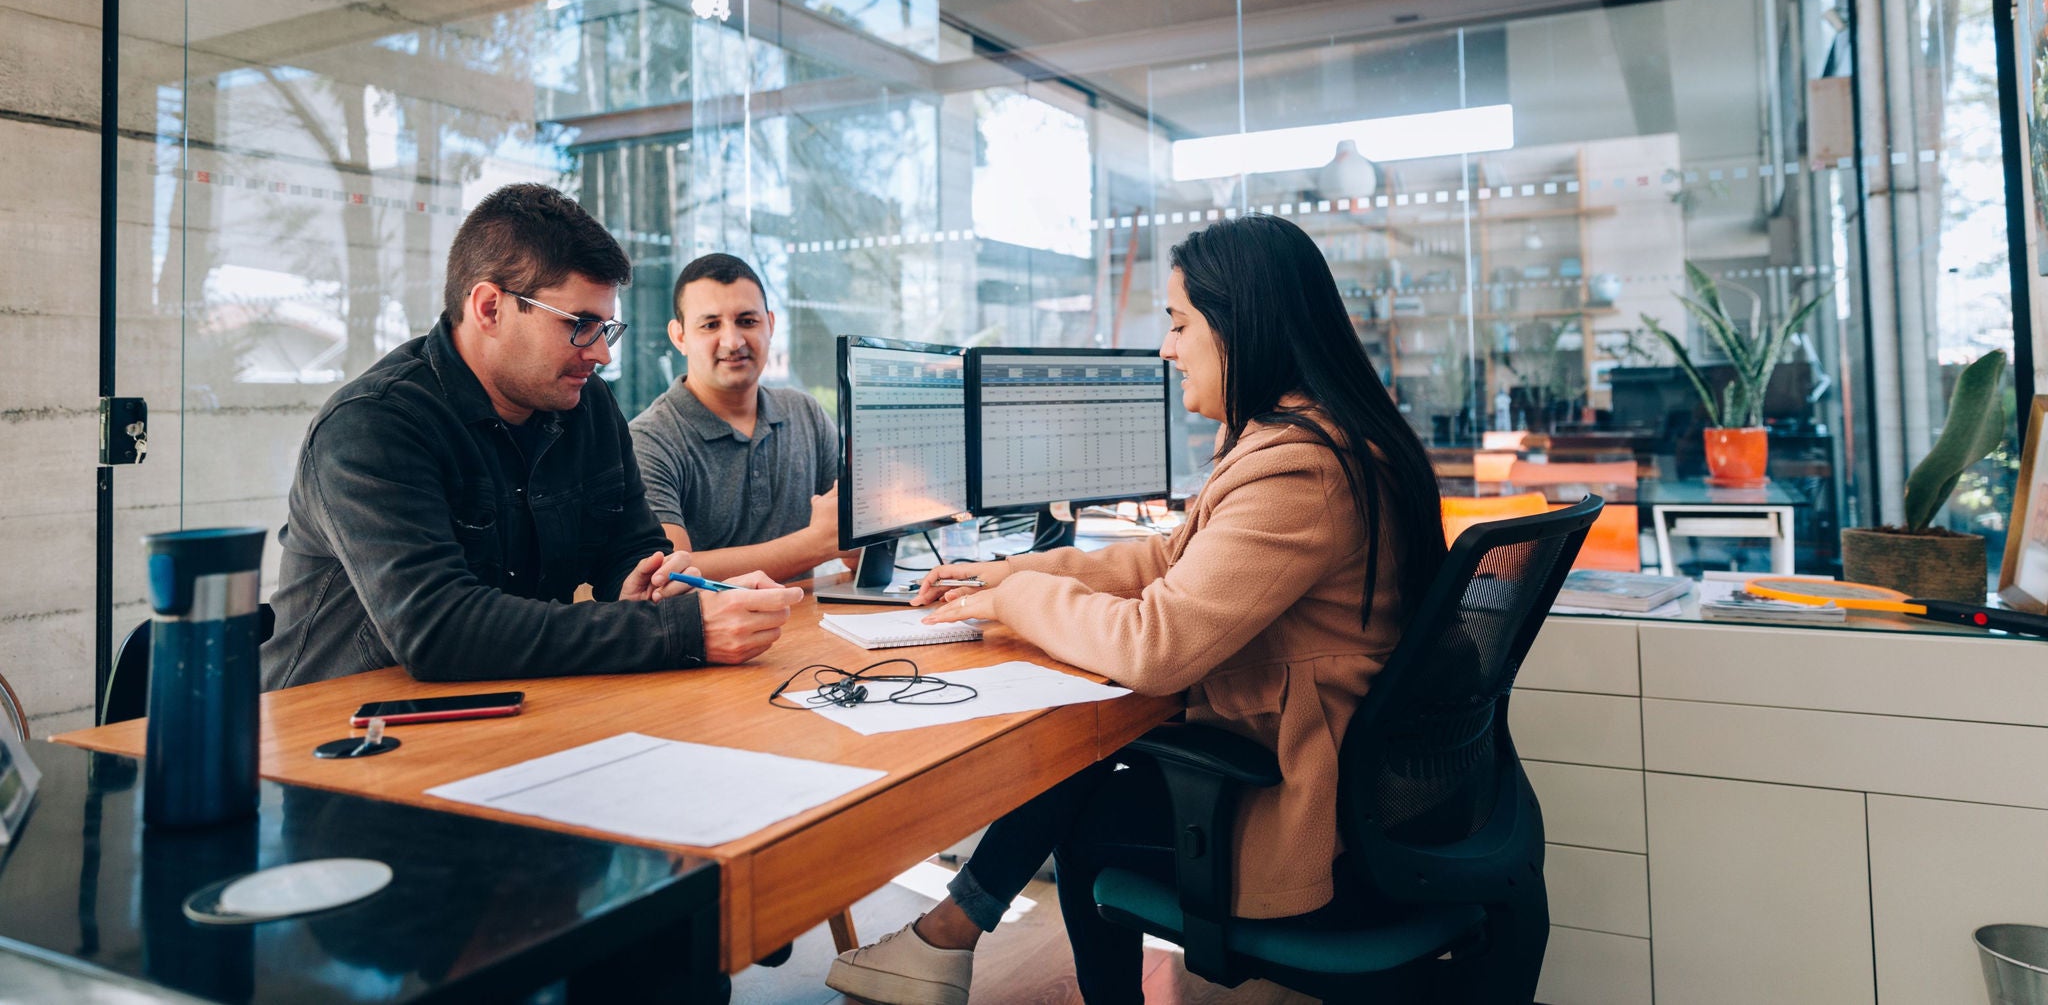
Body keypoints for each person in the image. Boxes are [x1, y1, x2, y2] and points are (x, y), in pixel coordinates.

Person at [826, 214, 1447, 1005]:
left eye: (1180, 323)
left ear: (1240, 325)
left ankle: (946, 938)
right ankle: (944, 937)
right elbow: (1169, 559)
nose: (1166, 349)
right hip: (1332, 773)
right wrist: (1011, 570)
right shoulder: (1315, 438)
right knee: (1087, 764)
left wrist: (1015, 599)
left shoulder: (1302, 469)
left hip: (1311, 809)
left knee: (1085, 812)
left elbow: (1156, 645)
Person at [262, 184, 802, 690]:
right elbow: (439, 629)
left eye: (606, 328)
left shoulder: (586, 403)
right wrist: (678, 629)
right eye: (579, 324)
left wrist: (652, 584)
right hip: (341, 725)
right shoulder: (372, 426)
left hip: (510, 703)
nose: (601, 353)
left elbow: (631, 545)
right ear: (490, 308)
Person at [629, 252, 844, 584]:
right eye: (710, 325)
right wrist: (816, 544)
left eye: (747, 321)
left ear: (770, 325)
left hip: (808, 613)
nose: (733, 341)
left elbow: (852, 539)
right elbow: (672, 575)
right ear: (680, 336)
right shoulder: (649, 440)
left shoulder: (806, 414)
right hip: (711, 621)